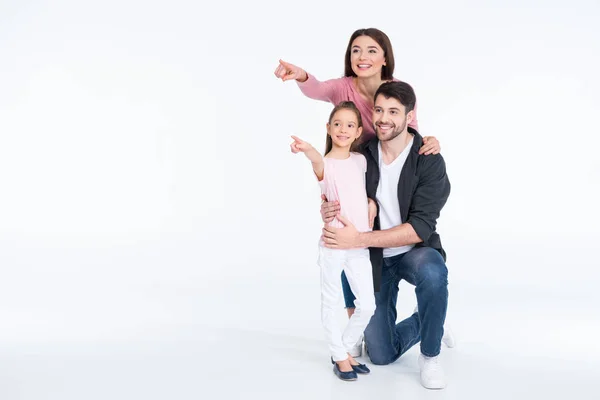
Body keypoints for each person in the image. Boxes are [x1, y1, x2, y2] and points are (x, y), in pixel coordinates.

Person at [275, 28, 442, 354]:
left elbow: (411, 132)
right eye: (355, 51)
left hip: (387, 181)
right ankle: (358, 326)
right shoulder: (344, 87)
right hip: (354, 177)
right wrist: (301, 75)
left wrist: (430, 143)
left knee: (370, 246)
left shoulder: (396, 91)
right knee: (344, 240)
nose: (362, 57)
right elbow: (319, 89)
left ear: (384, 58)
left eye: (370, 50)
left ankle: (427, 319)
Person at [320, 81, 452, 389]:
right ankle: (431, 320)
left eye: (393, 111)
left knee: (434, 274)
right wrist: (326, 208)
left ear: (410, 115)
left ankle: (431, 354)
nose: (383, 118)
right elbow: (335, 187)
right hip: (375, 259)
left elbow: (420, 227)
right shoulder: (362, 154)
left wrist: (360, 240)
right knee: (379, 354)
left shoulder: (428, 159)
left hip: (414, 251)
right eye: (379, 110)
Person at [290, 101, 376, 382]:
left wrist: (369, 204)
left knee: (368, 306)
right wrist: (306, 149)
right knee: (330, 301)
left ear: (358, 132)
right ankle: (340, 354)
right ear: (328, 128)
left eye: (350, 125)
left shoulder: (361, 161)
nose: (342, 129)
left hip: (358, 244)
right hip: (333, 243)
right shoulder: (324, 163)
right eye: (337, 123)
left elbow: (362, 193)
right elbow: (316, 159)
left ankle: (343, 349)